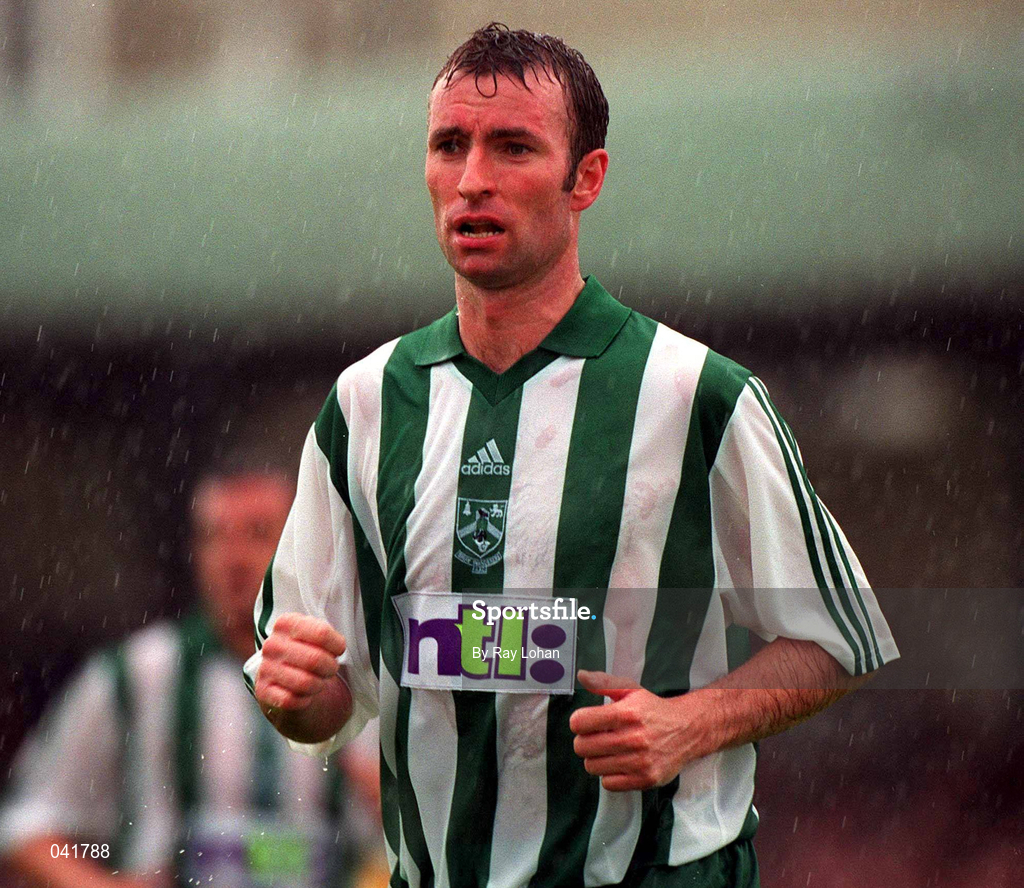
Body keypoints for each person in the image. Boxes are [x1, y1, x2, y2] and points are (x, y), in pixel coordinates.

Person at [245, 22, 900, 888]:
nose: (473, 179)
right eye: (450, 145)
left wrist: (689, 725)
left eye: (513, 146)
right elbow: (331, 696)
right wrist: (295, 697)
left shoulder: (695, 393)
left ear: (585, 176)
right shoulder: (364, 405)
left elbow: (839, 635)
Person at [0, 465, 380, 888]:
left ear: (306, 544)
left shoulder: (358, 674)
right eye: (214, 536)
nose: (233, 559)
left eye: (257, 533)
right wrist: (102, 880)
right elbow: (26, 831)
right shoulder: (136, 673)